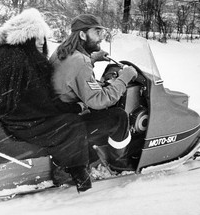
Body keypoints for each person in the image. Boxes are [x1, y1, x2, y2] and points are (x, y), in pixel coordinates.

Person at [0, 8, 92, 192]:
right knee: (72, 125)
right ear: (27, 36)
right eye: (37, 37)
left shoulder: (9, 53)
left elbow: (31, 98)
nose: (42, 42)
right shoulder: (22, 60)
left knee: (66, 119)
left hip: (11, 114)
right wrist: (74, 108)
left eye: (43, 37)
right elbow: (42, 104)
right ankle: (75, 173)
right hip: (24, 122)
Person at [50, 14, 138, 170]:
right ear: (82, 35)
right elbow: (99, 101)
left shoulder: (62, 51)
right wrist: (124, 78)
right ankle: (118, 162)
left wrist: (92, 58)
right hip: (67, 124)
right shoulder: (81, 62)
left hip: (57, 115)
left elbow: (73, 72)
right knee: (119, 117)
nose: (101, 38)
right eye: (97, 32)